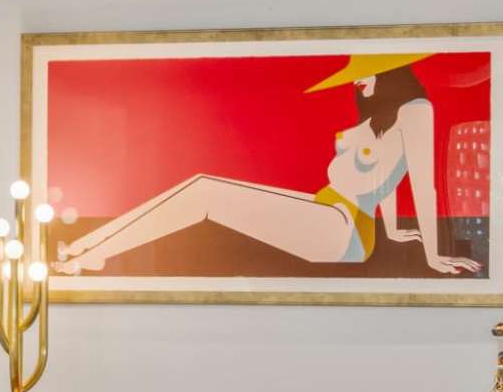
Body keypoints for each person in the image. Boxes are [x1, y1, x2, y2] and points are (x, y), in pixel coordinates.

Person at [57, 56, 475, 277]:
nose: (355, 82)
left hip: (342, 230)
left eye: (362, 73)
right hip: (330, 212)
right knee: (201, 183)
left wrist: (435, 256)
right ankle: (84, 249)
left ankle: (92, 256)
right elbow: (386, 179)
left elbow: (422, 182)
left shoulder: (417, 111)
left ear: (391, 71)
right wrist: (393, 229)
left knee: (205, 194)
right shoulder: (381, 118)